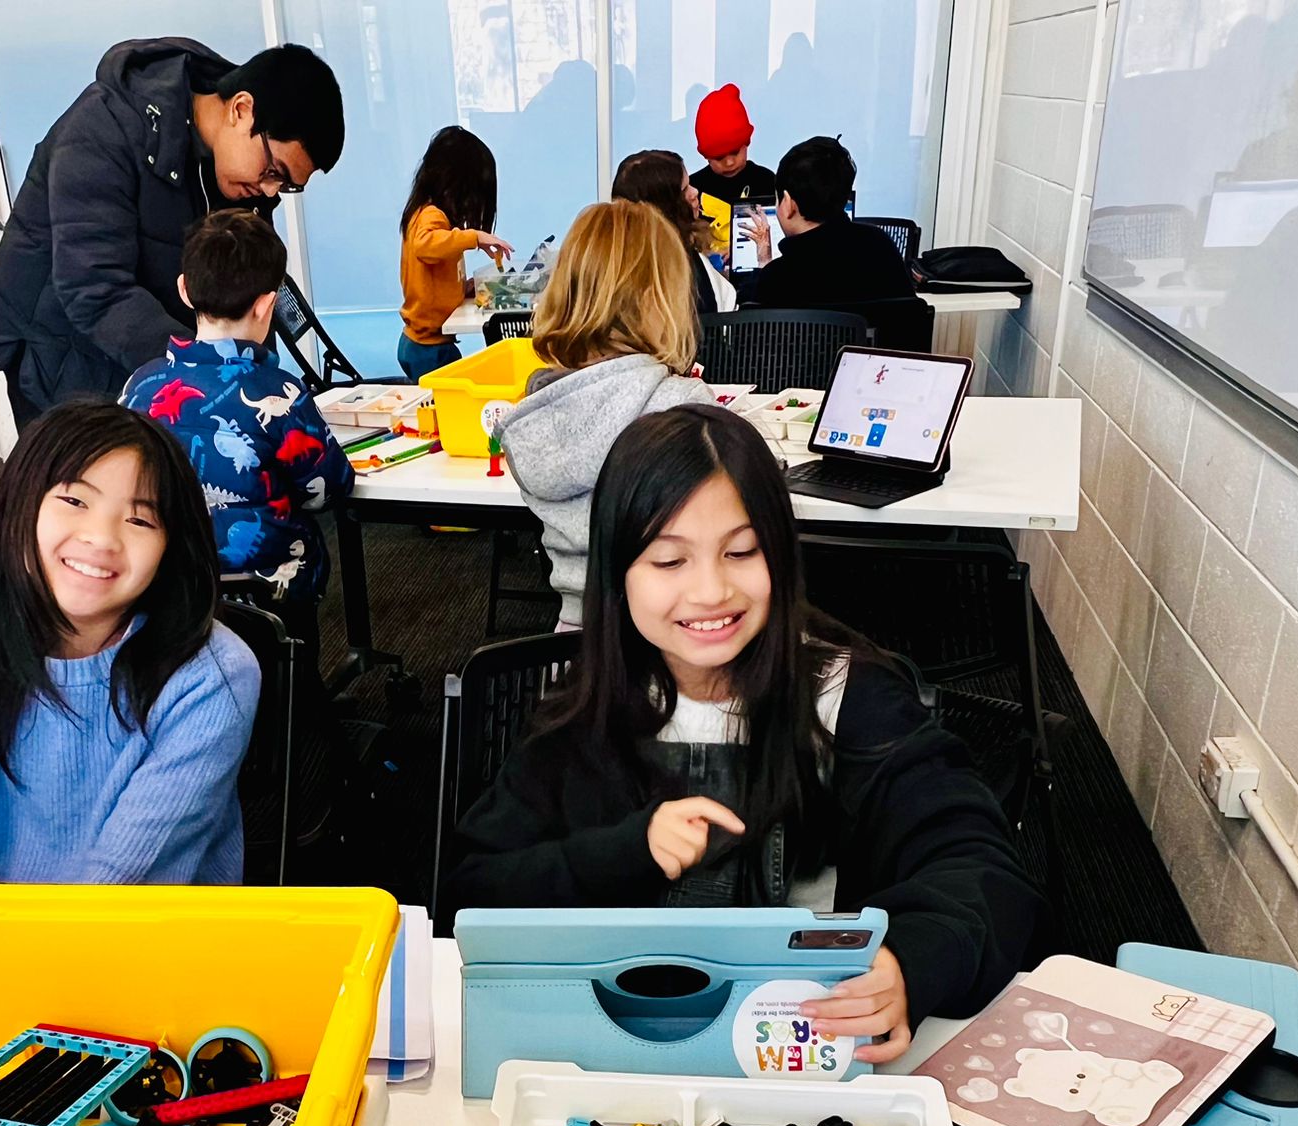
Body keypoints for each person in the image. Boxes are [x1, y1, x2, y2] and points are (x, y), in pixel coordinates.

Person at [446, 405, 1042, 1059]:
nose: (710, 591)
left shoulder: (849, 699)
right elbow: (474, 890)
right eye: (669, 561)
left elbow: (982, 869)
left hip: (798, 1046)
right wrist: (625, 851)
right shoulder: (586, 705)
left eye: (741, 551)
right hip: (614, 1047)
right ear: (619, 575)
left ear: (779, 554)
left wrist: (911, 959)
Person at [0, 401, 260, 884]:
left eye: (140, 521)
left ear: (171, 547)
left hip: (140, 941)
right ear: (21, 504)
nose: (102, 539)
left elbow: (123, 886)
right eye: (75, 501)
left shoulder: (212, 673)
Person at [0, 40, 345, 426]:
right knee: (91, 479)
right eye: (274, 171)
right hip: (57, 348)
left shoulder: (239, 175)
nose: (270, 191)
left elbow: (247, 284)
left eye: (286, 186)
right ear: (241, 110)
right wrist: (205, 373)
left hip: (152, 343)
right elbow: (94, 289)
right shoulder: (102, 129)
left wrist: (252, 377)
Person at [120, 210, 352, 619]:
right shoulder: (281, 391)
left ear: (184, 290)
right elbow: (329, 489)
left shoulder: (139, 385)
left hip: (167, 585)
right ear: (267, 304)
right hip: (265, 597)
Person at [497, 201, 711, 627]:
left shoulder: (536, 412)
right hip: (672, 651)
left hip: (571, 652)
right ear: (660, 299)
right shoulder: (685, 409)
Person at [397, 126, 515, 381]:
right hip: (426, 347)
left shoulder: (430, 215)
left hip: (429, 343)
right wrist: (474, 237)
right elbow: (425, 245)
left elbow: (433, 278)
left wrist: (463, 288)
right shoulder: (430, 215)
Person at [745, 136, 914, 307]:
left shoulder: (777, 278)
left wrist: (763, 265)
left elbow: (752, 326)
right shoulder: (881, 247)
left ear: (788, 204)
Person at [611, 149, 736, 315]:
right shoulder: (677, 269)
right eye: (684, 190)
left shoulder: (614, 262)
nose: (695, 193)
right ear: (664, 206)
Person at [688, 84, 777, 206]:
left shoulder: (766, 181)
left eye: (735, 152)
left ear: (746, 144)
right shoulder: (693, 190)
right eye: (719, 157)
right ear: (706, 156)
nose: (729, 162)